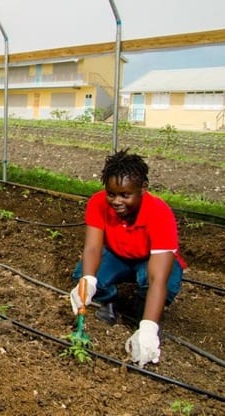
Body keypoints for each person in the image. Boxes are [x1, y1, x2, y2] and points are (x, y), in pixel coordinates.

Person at [69, 149, 186, 368]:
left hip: (149, 260)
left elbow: (157, 278)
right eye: (111, 194)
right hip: (118, 254)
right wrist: (88, 281)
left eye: (125, 195)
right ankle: (110, 300)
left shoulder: (159, 213)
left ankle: (142, 314)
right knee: (83, 274)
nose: (116, 201)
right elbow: (93, 248)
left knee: (160, 285)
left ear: (143, 189)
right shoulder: (97, 203)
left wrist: (149, 327)